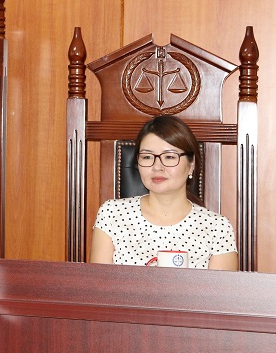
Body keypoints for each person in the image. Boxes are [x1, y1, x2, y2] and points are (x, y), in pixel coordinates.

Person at [90, 115, 237, 270]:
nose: (157, 167)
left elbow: (220, 287)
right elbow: (97, 284)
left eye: (169, 157)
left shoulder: (217, 228)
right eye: (147, 157)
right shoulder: (112, 214)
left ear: (191, 165)